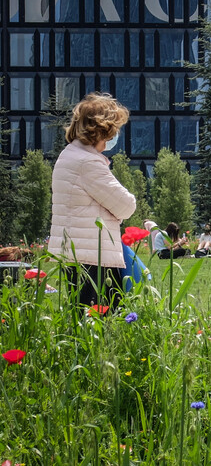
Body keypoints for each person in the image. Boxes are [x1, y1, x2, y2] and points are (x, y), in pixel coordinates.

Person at [48, 92, 136, 311]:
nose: (116, 133)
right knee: (103, 321)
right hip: (94, 258)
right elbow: (126, 205)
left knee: (84, 319)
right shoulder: (88, 162)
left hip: (78, 253)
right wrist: (115, 212)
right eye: (114, 128)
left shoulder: (70, 155)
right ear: (102, 128)